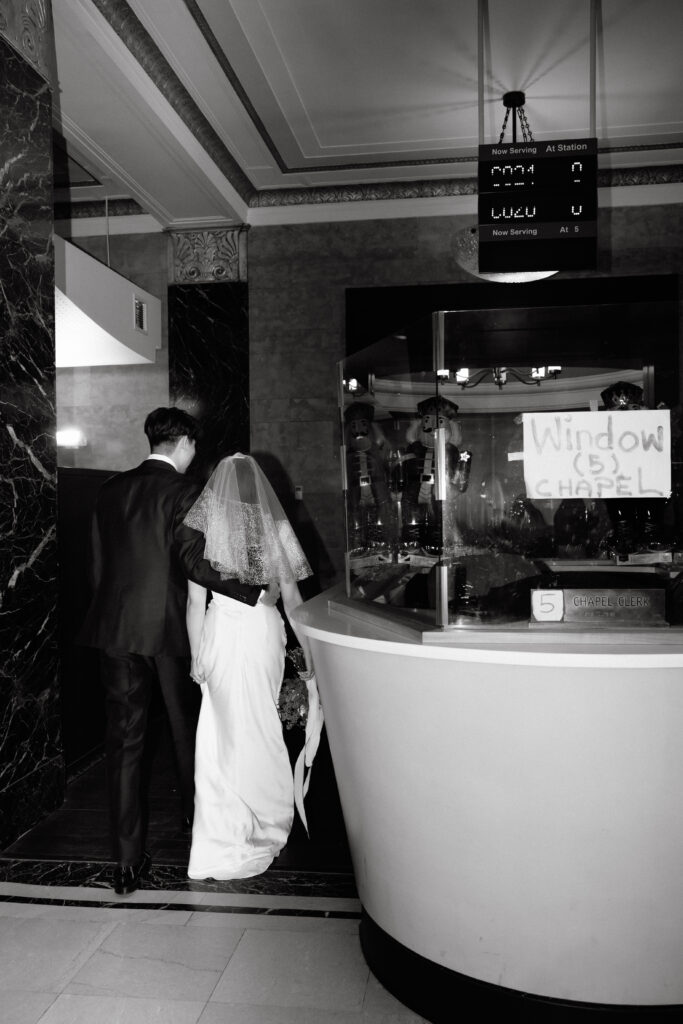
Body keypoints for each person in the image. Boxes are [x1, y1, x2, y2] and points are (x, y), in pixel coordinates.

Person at [78, 408, 269, 896]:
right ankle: (195, 826)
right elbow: (193, 561)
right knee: (185, 735)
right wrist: (251, 586)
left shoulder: (109, 491)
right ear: (183, 442)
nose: (193, 455)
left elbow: (98, 567)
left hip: (114, 632)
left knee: (123, 744)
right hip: (165, 634)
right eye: (193, 447)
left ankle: (125, 862)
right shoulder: (184, 491)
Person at [184, 452, 314, 880]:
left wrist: (196, 653)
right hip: (262, 632)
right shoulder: (274, 527)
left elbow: (194, 600)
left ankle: (222, 825)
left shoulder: (204, 529)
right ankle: (266, 812)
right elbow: (293, 598)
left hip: (220, 632)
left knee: (221, 728)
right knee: (259, 721)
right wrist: (309, 653)